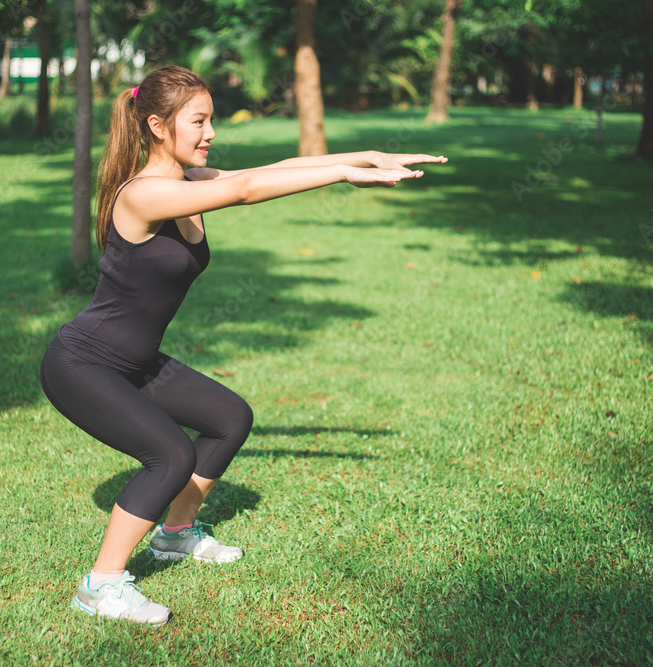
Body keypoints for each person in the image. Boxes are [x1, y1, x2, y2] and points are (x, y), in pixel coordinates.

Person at [38, 64, 446, 627]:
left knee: (230, 418)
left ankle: (175, 534)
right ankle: (101, 584)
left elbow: (271, 169)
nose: (210, 133)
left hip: (134, 362)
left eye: (211, 121)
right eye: (198, 122)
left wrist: (364, 157)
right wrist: (345, 178)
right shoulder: (144, 194)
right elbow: (249, 188)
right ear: (158, 125)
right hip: (82, 363)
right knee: (171, 454)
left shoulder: (187, 183)